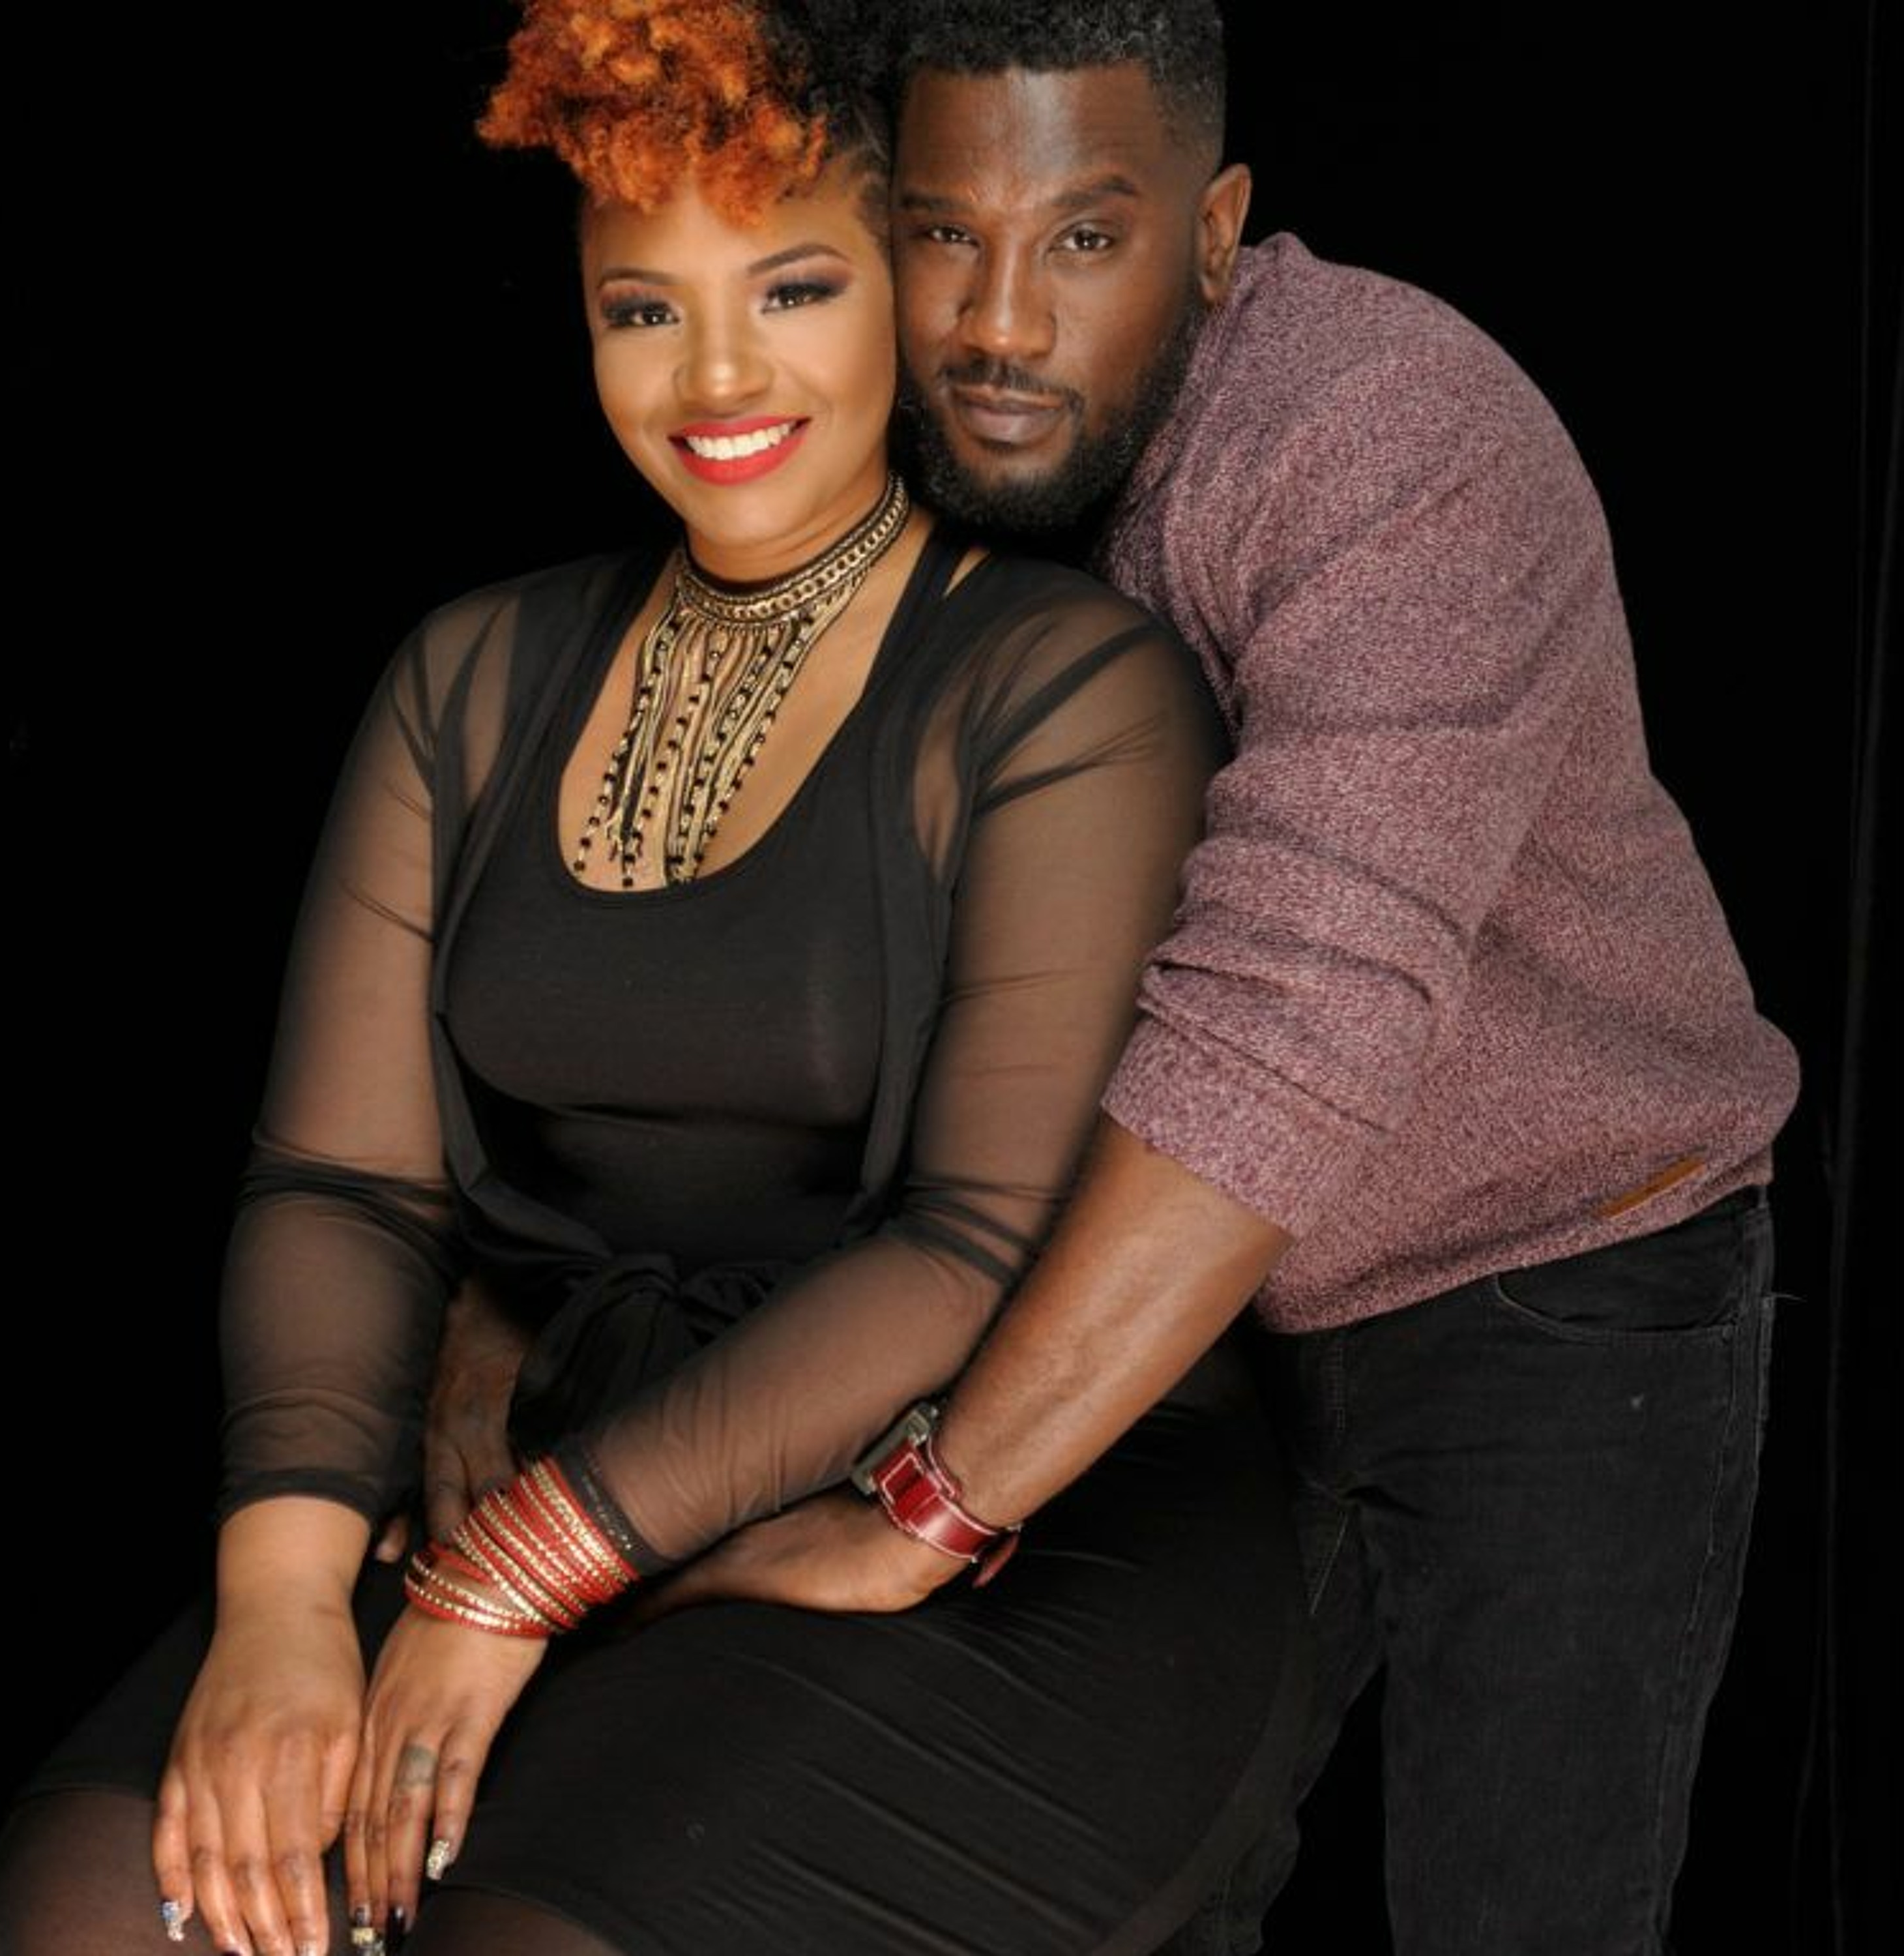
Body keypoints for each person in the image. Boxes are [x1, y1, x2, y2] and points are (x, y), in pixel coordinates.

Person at [0, 5, 1311, 1954]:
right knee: (106, 1905)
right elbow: (342, 1185)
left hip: (975, 1514)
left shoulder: (1063, 689)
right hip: (556, 1438)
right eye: (641, 310)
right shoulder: (468, 677)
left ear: (904, 286)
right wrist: (281, 1606)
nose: (717, 377)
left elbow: (976, 1246)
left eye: (794, 288)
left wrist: (507, 1579)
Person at [570, 5, 1798, 1953]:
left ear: (1213, 236)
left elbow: (1290, 1029)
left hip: (1553, 1285)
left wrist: (929, 1509)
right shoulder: (901, 450)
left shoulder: (1386, 437)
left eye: (1084, 237)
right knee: (1112, 1905)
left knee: (1520, 1922)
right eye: (947, 234)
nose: (997, 324)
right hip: (1184, 1317)